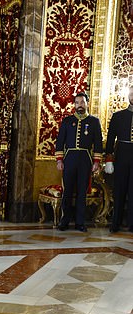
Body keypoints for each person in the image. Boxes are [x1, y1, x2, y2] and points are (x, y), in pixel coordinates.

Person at [55, 92, 103, 232]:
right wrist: (59, 160)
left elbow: (98, 144)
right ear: (74, 104)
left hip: (85, 159)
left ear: (87, 103)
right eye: (77, 103)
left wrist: (96, 162)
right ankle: (64, 221)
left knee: (82, 191)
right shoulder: (67, 121)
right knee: (67, 191)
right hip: (69, 159)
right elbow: (60, 143)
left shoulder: (94, 121)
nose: (79, 105)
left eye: (82, 102)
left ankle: (80, 222)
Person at [104, 87, 133, 232]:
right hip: (121, 154)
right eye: (132, 93)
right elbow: (110, 139)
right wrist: (109, 158)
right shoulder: (118, 116)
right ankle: (115, 223)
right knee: (119, 190)